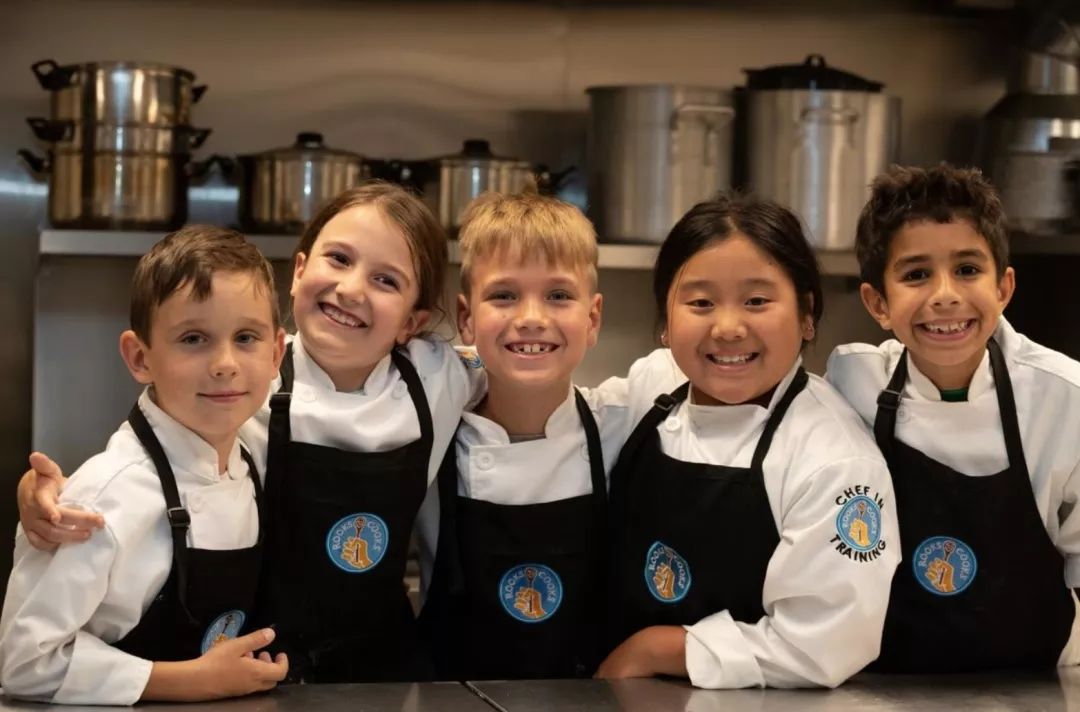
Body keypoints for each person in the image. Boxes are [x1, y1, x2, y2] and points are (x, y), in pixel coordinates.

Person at [16, 183, 485, 683]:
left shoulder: (439, 377)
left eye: (386, 280)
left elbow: (536, 376)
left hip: (383, 666)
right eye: (339, 259)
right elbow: (152, 457)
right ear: (300, 270)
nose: (352, 288)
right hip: (258, 667)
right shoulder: (245, 374)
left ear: (412, 322)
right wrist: (44, 497)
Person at [595, 194, 900, 688]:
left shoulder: (833, 457)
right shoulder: (649, 392)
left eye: (757, 301)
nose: (729, 327)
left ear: (806, 314)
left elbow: (823, 645)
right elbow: (557, 419)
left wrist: (657, 648)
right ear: (664, 324)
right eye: (700, 303)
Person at [0, 226, 288, 704]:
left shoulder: (251, 457)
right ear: (139, 357)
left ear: (277, 352)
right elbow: (24, 662)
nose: (225, 363)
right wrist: (193, 681)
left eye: (246, 337)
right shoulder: (105, 497)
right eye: (194, 338)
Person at [826, 164, 1080, 672]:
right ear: (878, 302)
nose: (944, 294)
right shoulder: (851, 384)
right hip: (885, 681)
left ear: (1004, 288)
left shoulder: (1064, 396)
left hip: (1037, 682)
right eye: (916, 274)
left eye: (967, 269)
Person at [418, 190, 630, 679]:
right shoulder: (428, 430)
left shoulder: (623, 422)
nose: (531, 316)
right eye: (504, 295)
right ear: (466, 318)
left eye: (558, 295)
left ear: (593, 318)